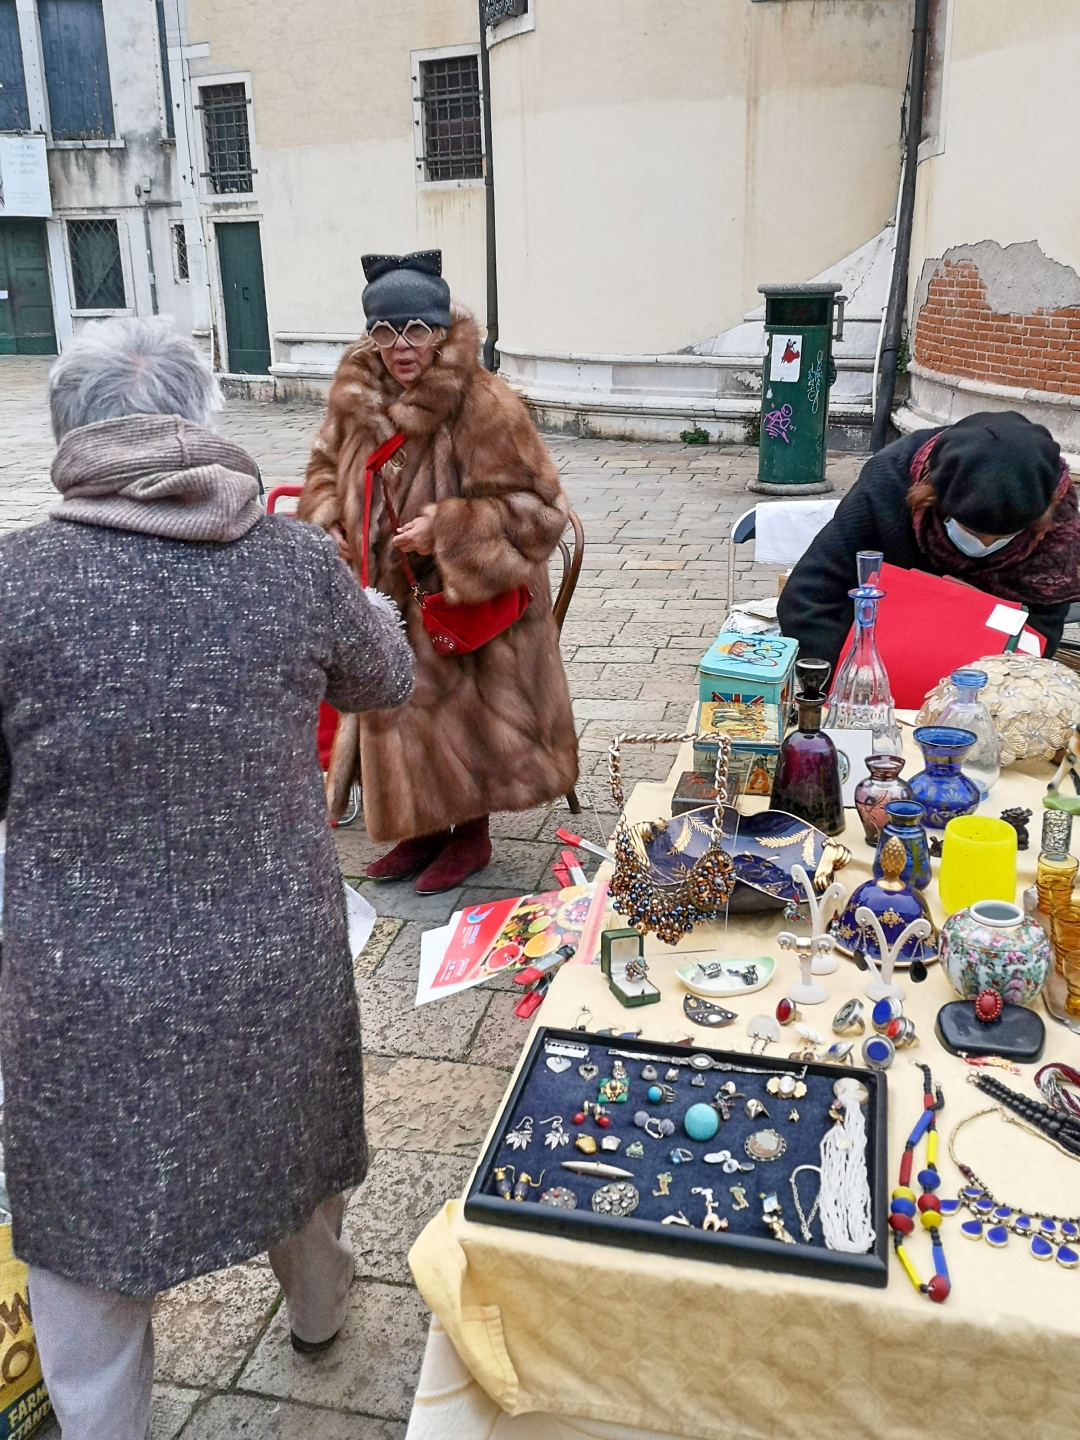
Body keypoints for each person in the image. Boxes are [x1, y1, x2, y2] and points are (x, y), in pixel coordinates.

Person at [0, 318, 415, 1440]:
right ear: (202, 422)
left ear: (66, 434)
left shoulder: (10, 583)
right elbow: (389, 676)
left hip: (77, 978)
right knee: (295, 1153)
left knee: (88, 1239)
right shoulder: (293, 562)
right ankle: (322, 1313)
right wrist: (354, 601)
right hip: (269, 949)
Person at [299, 250, 578, 894]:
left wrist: (447, 528)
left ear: (442, 330)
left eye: (417, 330)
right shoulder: (355, 396)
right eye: (386, 331)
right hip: (382, 590)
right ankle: (420, 829)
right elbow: (320, 466)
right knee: (391, 695)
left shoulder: (483, 403)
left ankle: (470, 834)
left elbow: (539, 513)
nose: (401, 347)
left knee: (454, 695)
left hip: (465, 597)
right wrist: (327, 515)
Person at [777, 411, 1080, 669]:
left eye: (1003, 539)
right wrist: (850, 680)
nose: (984, 546)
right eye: (971, 532)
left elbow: (1041, 634)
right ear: (931, 496)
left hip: (983, 675)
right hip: (871, 660)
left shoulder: (1059, 519)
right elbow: (808, 597)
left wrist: (978, 611)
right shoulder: (887, 482)